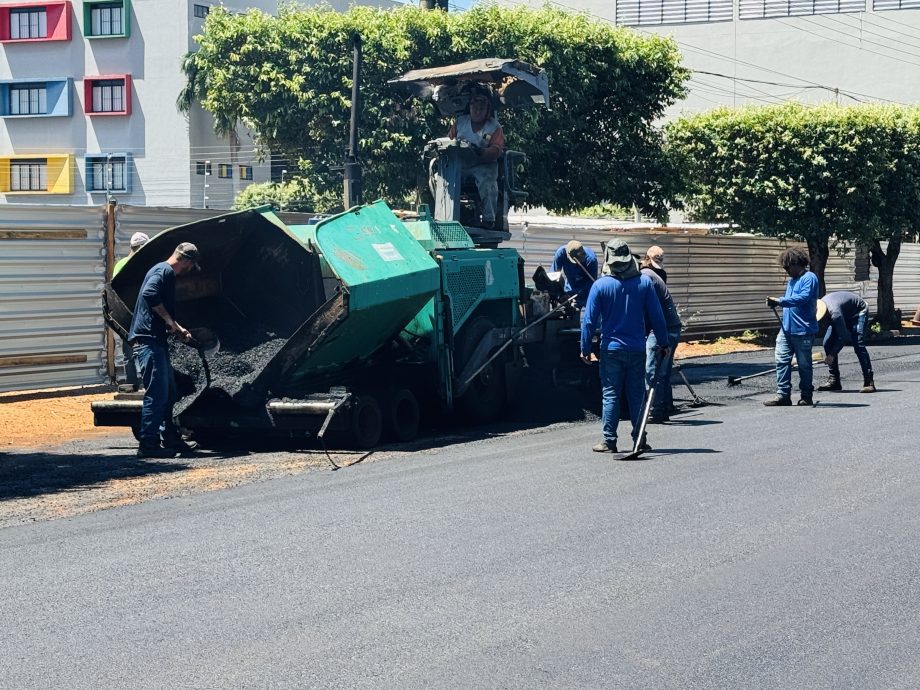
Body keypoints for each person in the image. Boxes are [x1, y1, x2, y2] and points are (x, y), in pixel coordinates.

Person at [581, 239, 670, 453]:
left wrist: (585, 348)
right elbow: (657, 316)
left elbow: (589, 321)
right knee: (637, 394)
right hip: (637, 348)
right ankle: (640, 439)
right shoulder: (644, 283)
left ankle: (609, 441)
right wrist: (664, 342)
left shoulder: (600, 285)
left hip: (611, 350)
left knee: (611, 394)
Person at [129, 242, 201, 458]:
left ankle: (170, 437)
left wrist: (176, 328)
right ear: (186, 261)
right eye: (191, 266)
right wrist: (171, 322)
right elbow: (150, 294)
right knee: (157, 394)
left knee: (169, 393)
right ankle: (148, 445)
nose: (190, 270)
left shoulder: (160, 269)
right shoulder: (164, 271)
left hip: (155, 341)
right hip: (148, 342)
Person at [764, 247, 819, 406]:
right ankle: (783, 395)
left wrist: (780, 301)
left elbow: (803, 298)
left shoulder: (809, 278)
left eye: (787, 267)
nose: (786, 270)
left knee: (804, 365)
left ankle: (806, 395)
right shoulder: (792, 281)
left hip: (803, 330)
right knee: (781, 361)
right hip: (786, 329)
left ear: (796, 263)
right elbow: (791, 302)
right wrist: (776, 303)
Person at [445, 84, 505, 227]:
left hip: (484, 165)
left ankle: (489, 219)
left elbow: (497, 149)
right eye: (475, 108)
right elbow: (448, 141)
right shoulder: (460, 123)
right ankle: (445, 215)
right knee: (440, 177)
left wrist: (482, 152)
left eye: (481, 109)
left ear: (487, 110)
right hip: (461, 165)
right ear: (470, 108)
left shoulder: (494, 127)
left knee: (487, 181)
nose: (477, 111)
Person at [640, 247, 682, 423]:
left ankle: (654, 410)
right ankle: (664, 408)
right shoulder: (655, 275)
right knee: (663, 372)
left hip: (661, 329)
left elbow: (647, 310)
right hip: (673, 327)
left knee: (652, 371)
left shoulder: (645, 277)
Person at [816, 291, 875, 393]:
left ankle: (869, 381)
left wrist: (832, 355)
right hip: (844, 312)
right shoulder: (820, 306)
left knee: (858, 344)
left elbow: (843, 337)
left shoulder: (835, 313)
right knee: (827, 343)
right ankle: (834, 381)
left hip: (858, 311)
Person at [113, 232, 149, 391]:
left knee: (128, 351)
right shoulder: (140, 265)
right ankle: (148, 382)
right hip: (140, 313)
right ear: (141, 248)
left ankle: (131, 383)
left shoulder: (120, 264)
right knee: (145, 348)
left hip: (123, 314)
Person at [550, 240, 598, 308]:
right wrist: (559, 294)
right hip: (570, 286)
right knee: (568, 310)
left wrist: (573, 294)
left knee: (584, 309)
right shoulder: (561, 253)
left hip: (584, 289)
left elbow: (592, 283)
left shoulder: (591, 259)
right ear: (568, 254)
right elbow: (554, 275)